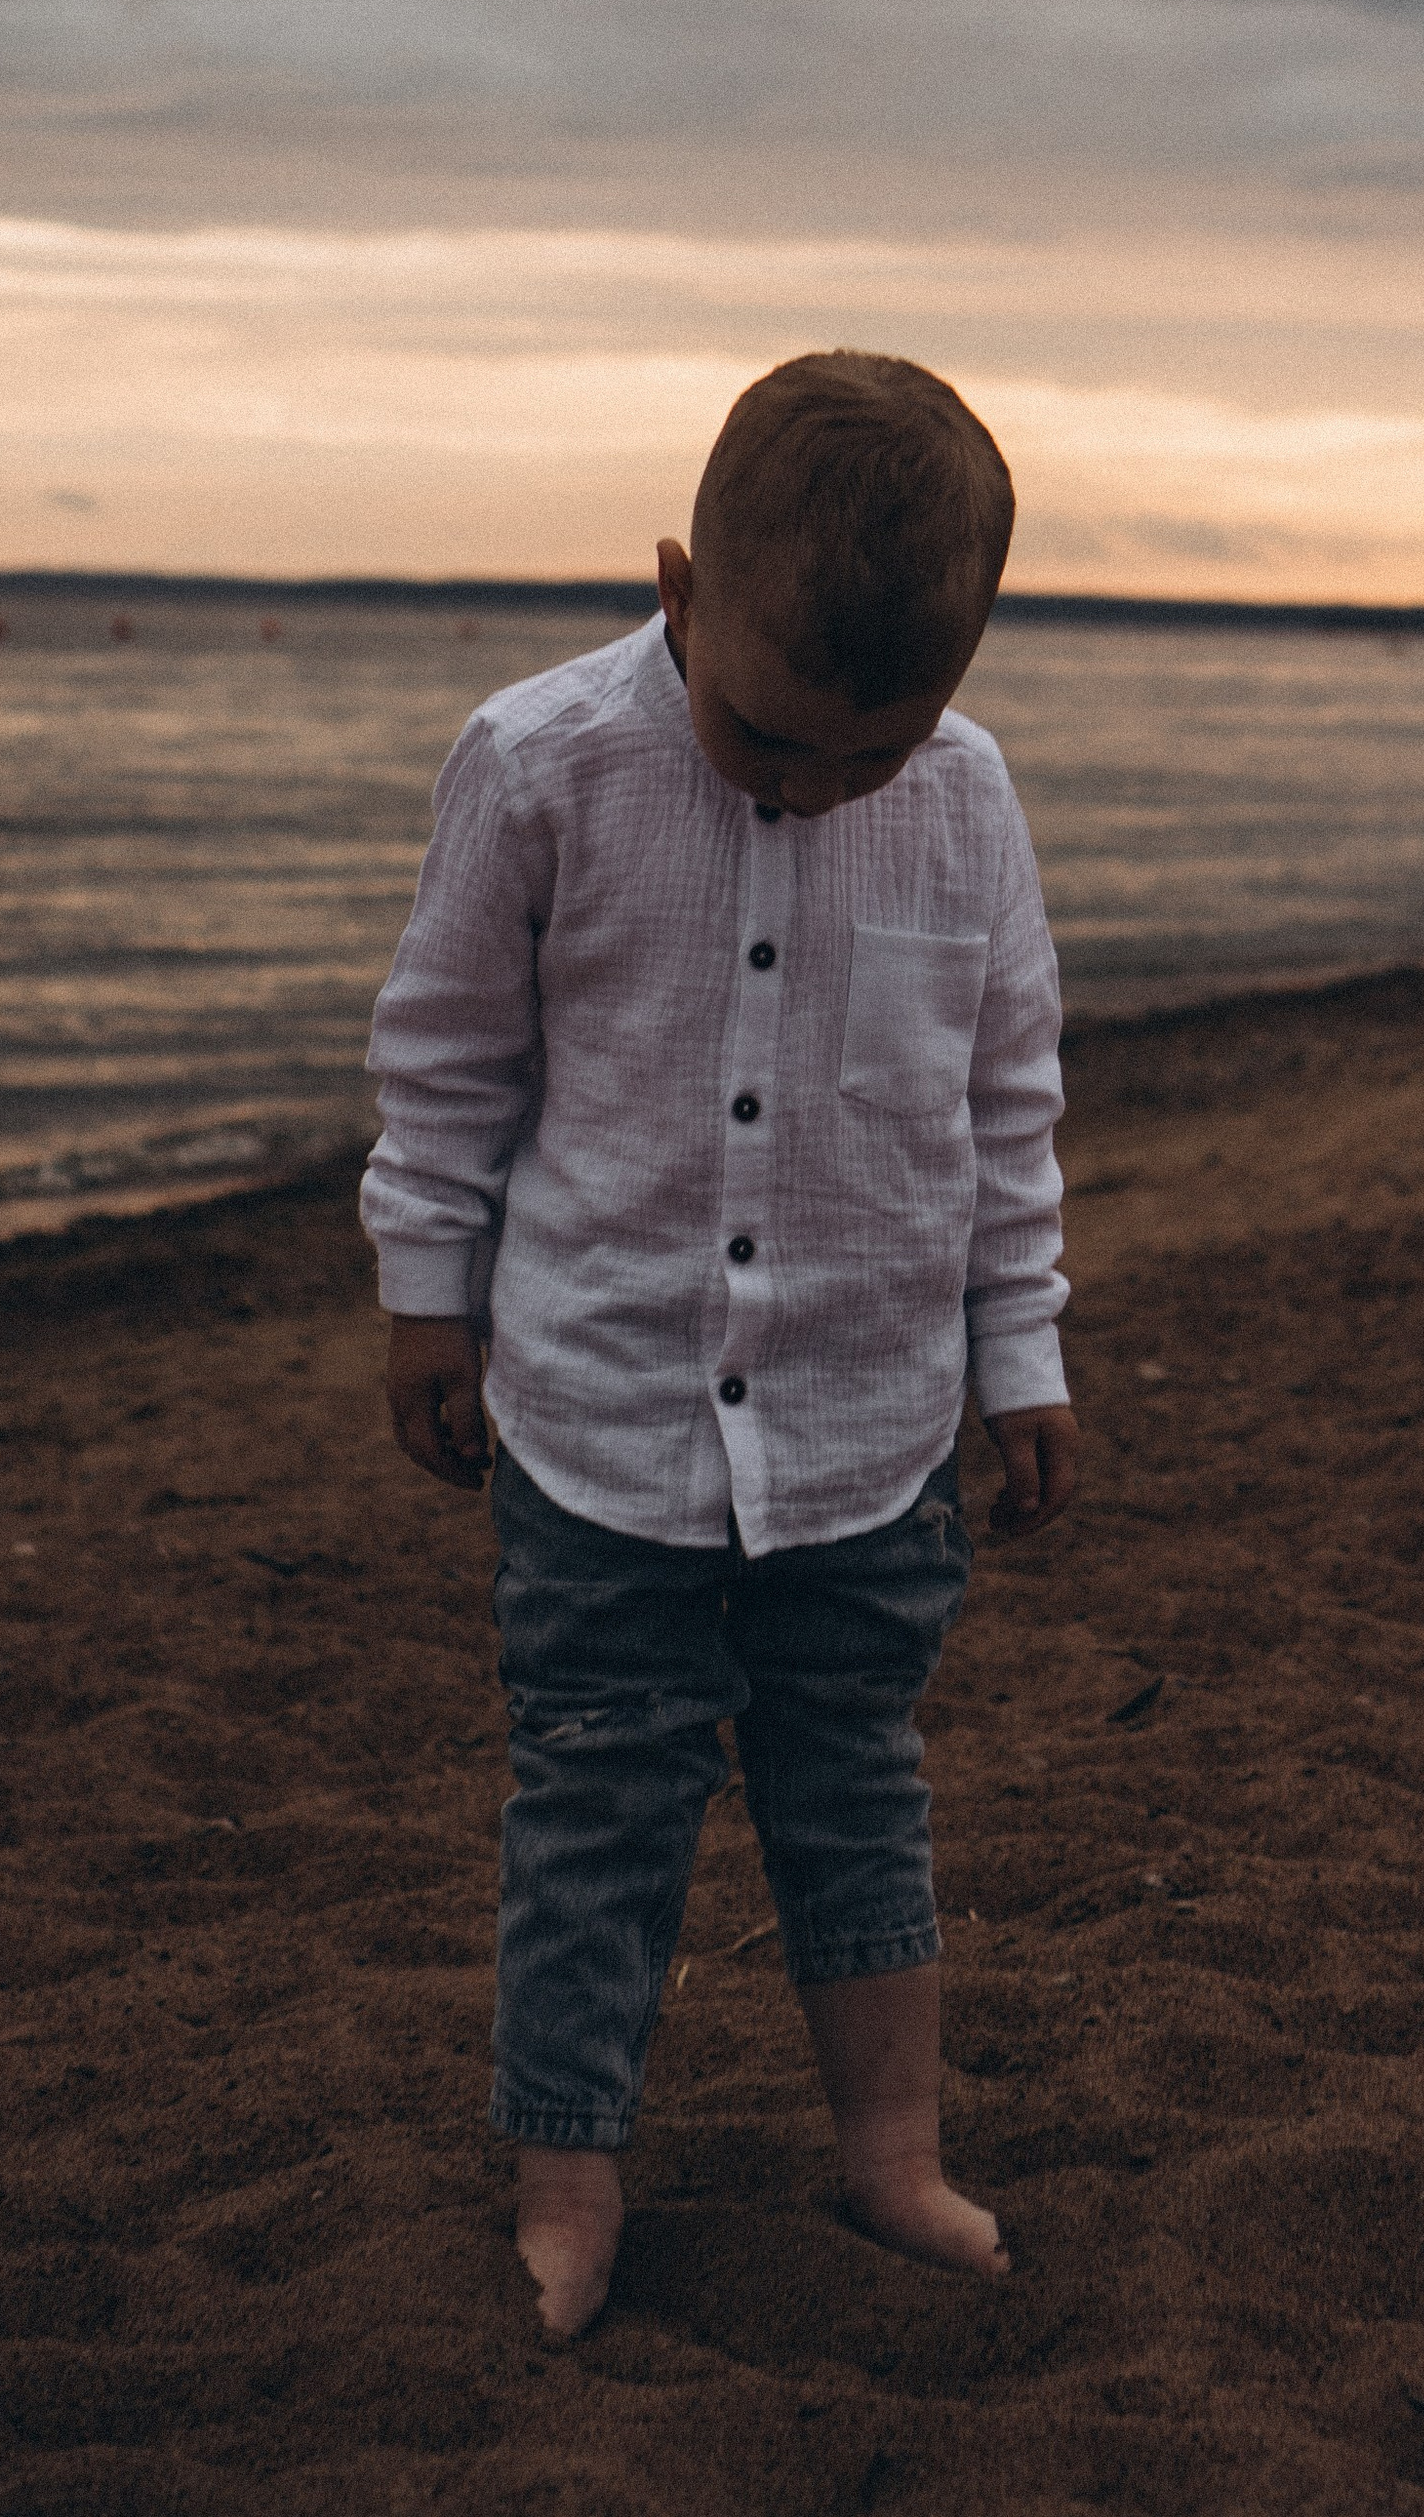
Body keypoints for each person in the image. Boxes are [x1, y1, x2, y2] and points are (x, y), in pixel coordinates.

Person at [362, 351, 1078, 2341]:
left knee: (853, 1784)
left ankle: (888, 2154)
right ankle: (568, 2180)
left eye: (866, 753)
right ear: (678, 594)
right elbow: (445, 1070)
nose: (803, 790)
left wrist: (1021, 1357)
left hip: (868, 1426)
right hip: (596, 1412)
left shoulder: (964, 807)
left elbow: (1002, 1109)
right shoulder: (535, 767)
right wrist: (426, 1290)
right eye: (761, 735)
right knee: (596, 1793)